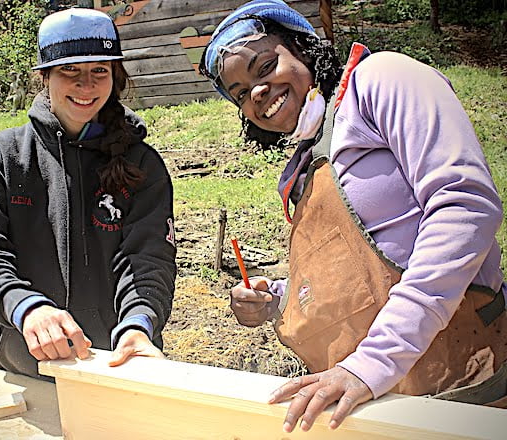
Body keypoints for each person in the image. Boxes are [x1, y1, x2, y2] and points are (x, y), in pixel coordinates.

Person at [200, 0, 507, 433]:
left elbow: (464, 206)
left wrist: (374, 361)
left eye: (264, 66)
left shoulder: (382, 81)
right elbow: (359, 278)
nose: (256, 92)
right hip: (371, 401)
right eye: (238, 93)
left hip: (459, 378)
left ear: (304, 48)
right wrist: (281, 300)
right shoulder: (303, 168)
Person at [0, 8, 177, 380]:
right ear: (44, 76)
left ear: (115, 75)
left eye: (99, 71)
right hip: (27, 365)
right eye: (69, 71)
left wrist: (138, 324)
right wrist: (26, 308)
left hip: (122, 365)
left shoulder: (143, 163)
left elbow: (148, 256)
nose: (85, 86)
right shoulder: (1, 157)